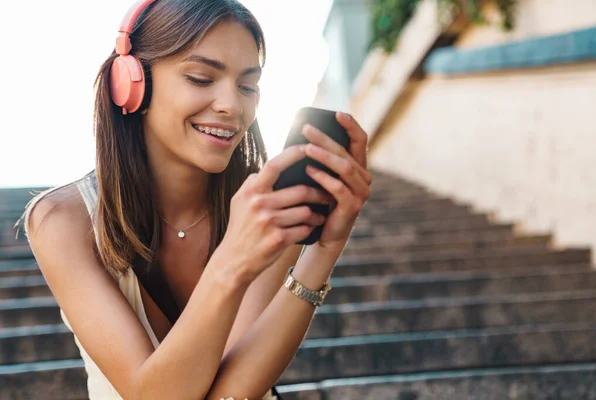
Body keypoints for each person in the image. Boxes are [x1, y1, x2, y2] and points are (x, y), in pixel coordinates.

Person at [16, 0, 371, 399]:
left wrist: (323, 250)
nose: (232, 106)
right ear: (131, 84)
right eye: (202, 78)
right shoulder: (62, 221)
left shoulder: (264, 207)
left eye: (248, 86)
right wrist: (234, 259)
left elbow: (233, 392)